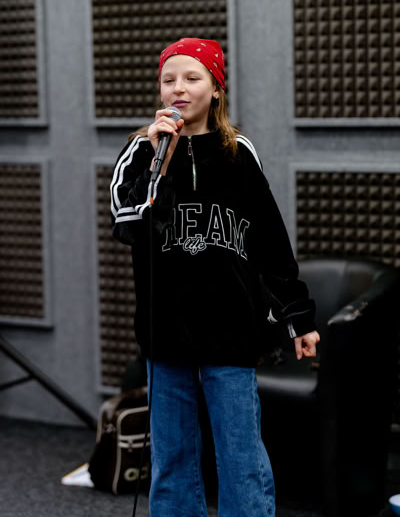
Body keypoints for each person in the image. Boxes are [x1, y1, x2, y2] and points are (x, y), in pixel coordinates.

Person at [110, 38, 320, 517]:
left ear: (216, 88)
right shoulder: (140, 150)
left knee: (241, 458)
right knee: (173, 458)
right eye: (168, 80)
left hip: (231, 330)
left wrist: (298, 316)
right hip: (166, 333)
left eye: (192, 78)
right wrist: (159, 160)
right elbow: (127, 223)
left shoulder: (238, 152)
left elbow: (270, 241)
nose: (178, 89)